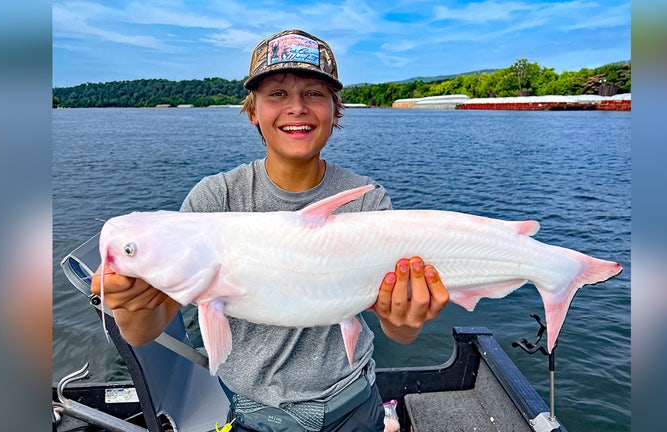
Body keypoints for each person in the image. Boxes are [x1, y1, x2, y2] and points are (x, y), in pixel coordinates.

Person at [91, 29, 450, 432]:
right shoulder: (215, 199)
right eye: (276, 94)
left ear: (336, 110)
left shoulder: (366, 201)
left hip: (353, 403)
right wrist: (130, 308)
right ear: (252, 111)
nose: (296, 107)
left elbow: (398, 331)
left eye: (314, 94)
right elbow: (145, 331)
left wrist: (408, 316)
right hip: (253, 416)